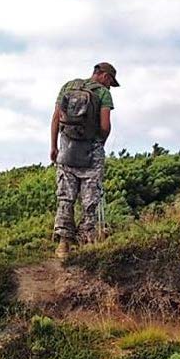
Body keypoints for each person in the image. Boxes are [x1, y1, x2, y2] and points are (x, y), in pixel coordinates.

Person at [50, 62, 119, 259]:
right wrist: (100, 144)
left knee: (65, 197)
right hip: (91, 152)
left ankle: (63, 245)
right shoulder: (103, 94)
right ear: (105, 76)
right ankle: (85, 244)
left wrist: (54, 147)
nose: (109, 86)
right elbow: (105, 126)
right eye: (110, 81)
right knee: (90, 200)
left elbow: (55, 119)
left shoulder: (68, 86)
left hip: (67, 150)